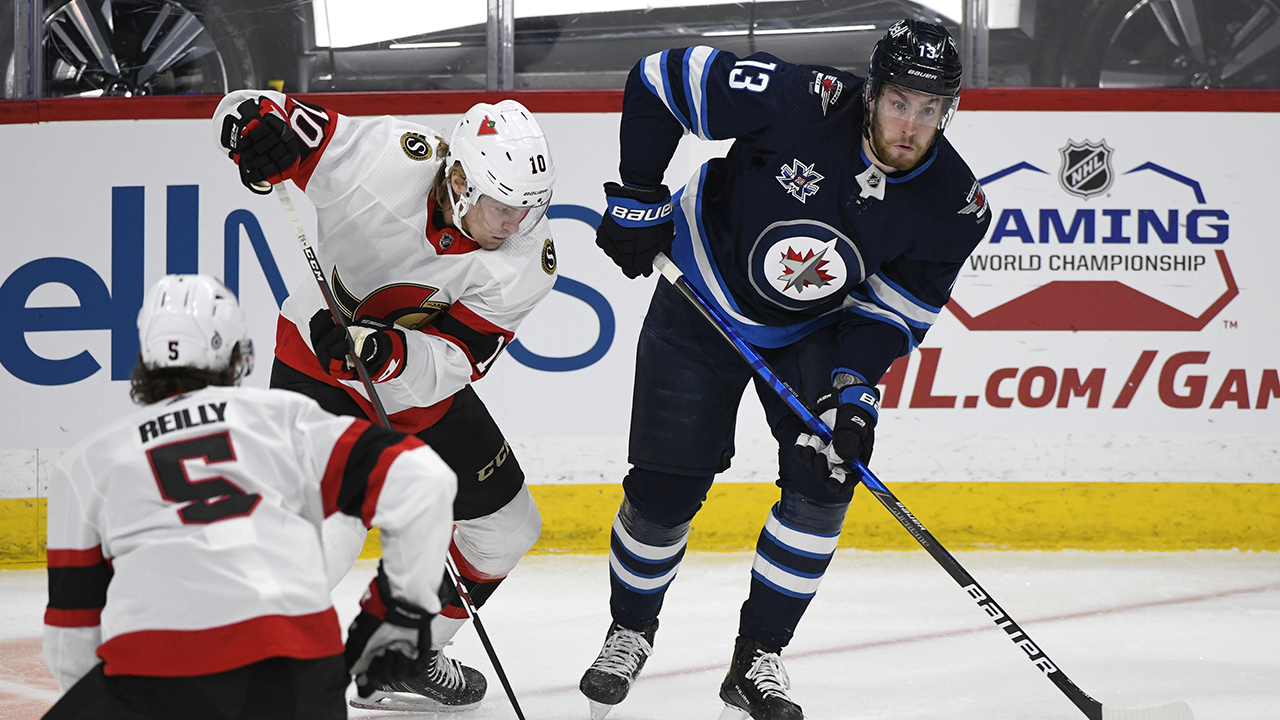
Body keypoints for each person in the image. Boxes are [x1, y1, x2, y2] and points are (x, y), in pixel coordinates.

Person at [578, 19, 992, 720]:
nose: (910, 125)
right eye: (898, 102)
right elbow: (657, 78)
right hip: (700, 295)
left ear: (948, 111)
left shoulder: (955, 205)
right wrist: (639, 195)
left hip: (812, 327)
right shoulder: (798, 97)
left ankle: (757, 659)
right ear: (872, 93)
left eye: (929, 109)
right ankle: (630, 631)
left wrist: (852, 393)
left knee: (824, 478)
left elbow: (889, 314)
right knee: (664, 492)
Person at [211, 90, 557, 711]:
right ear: (458, 181)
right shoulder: (382, 159)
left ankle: (399, 656)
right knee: (331, 539)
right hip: (319, 378)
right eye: (503, 207)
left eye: (530, 210)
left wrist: (385, 354)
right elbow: (254, 108)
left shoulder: (528, 259)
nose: (515, 225)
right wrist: (249, 128)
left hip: (422, 398)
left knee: (507, 530)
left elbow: (459, 361)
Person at [42, 274, 457, 720]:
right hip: (299, 675)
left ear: (145, 358)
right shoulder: (284, 420)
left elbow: (72, 637)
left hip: (158, 679)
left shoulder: (87, 461)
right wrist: (400, 613)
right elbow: (422, 478)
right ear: (239, 357)